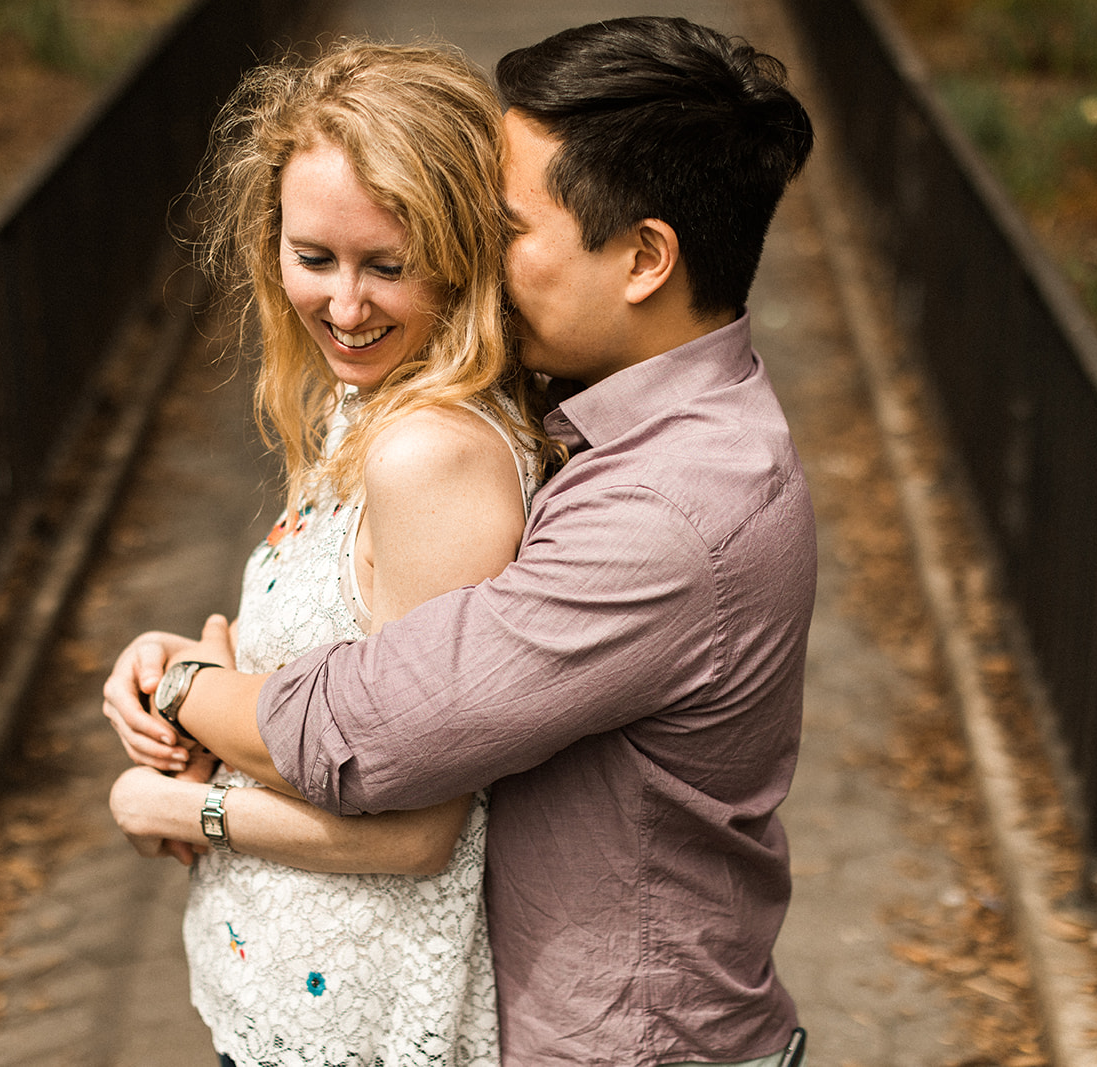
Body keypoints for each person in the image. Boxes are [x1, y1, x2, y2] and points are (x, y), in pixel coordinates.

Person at [105, 16, 817, 1067]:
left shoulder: (668, 514)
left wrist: (180, 690)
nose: (474, 252)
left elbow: (376, 727)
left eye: (508, 225)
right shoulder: (601, 414)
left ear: (643, 258)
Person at [104, 39, 554, 1067]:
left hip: (354, 1028)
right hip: (281, 991)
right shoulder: (373, 401)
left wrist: (183, 803)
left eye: (386, 266)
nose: (345, 308)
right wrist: (176, 665)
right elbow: (335, 675)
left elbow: (414, 829)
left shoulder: (430, 453)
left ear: (456, 251)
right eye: (315, 258)